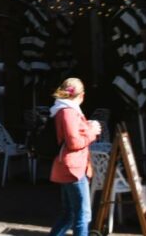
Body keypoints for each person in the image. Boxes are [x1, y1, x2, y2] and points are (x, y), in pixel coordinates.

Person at [48, 77, 102, 236]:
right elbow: (73, 142)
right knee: (82, 215)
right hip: (73, 168)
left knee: (69, 213)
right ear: (82, 95)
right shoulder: (69, 112)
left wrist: (87, 126)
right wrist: (92, 133)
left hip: (68, 166)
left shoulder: (62, 109)